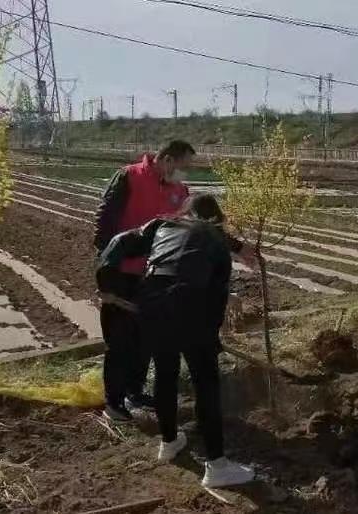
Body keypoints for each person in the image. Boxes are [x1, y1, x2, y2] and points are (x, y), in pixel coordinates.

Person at [96, 193, 258, 488]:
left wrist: (106, 283)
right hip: (191, 306)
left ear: (185, 213)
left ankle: (169, 442)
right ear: (218, 219)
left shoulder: (162, 226)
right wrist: (211, 340)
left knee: (165, 374)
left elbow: (120, 240)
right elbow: (215, 296)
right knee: (206, 383)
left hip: (152, 303)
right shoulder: (216, 242)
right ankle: (217, 466)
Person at [94, 140, 194, 421]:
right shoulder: (129, 176)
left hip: (154, 275)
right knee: (119, 340)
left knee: (145, 339)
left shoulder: (180, 190)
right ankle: (114, 402)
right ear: (168, 160)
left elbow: (186, 227)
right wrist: (106, 270)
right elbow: (104, 221)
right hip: (122, 272)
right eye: (183, 166)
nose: (185, 173)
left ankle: (134, 392)